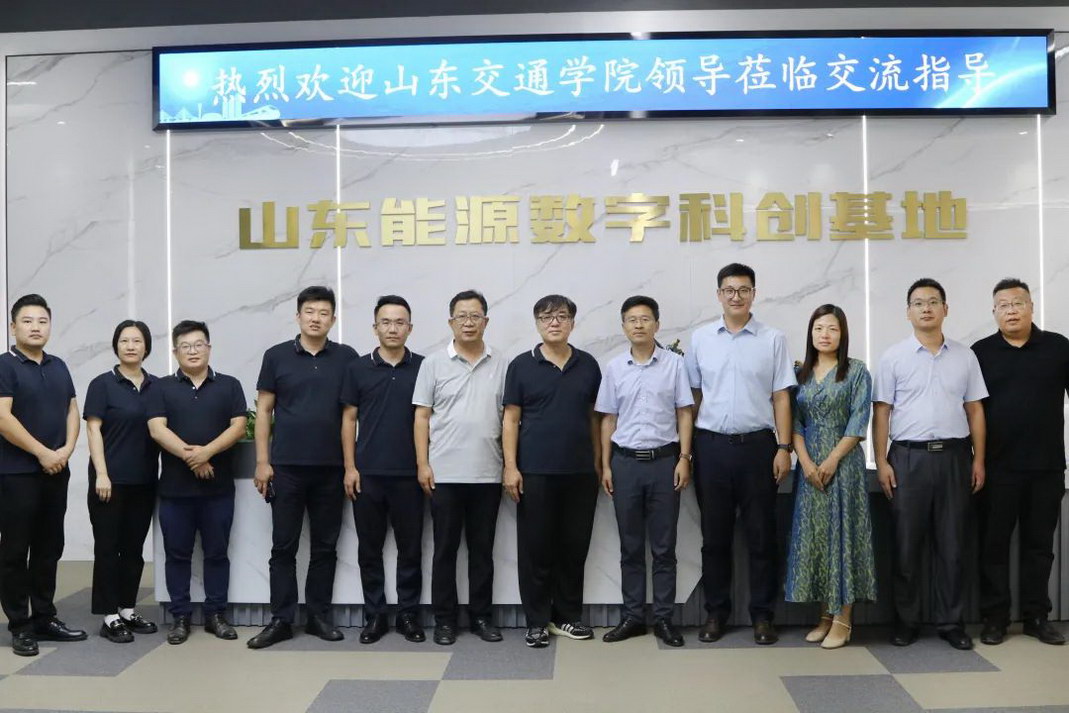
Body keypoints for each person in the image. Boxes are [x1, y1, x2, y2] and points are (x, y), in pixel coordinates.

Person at [873, 278, 987, 651]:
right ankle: (906, 622)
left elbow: (975, 410)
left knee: (952, 546)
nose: (926, 308)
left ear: (945, 309)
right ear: (908, 312)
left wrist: (979, 459)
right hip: (908, 459)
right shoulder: (893, 357)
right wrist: (881, 461)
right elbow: (882, 412)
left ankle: (951, 622)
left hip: (955, 457)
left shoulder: (965, 356)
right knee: (906, 546)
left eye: (933, 301)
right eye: (918, 303)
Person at [684, 263, 795, 645]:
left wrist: (784, 447)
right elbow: (693, 398)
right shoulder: (701, 339)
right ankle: (716, 613)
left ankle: (763, 616)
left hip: (759, 448)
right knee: (714, 538)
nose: (736, 296)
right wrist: (688, 453)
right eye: (729, 290)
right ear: (719, 294)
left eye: (743, 290)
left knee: (761, 536)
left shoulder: (773, 339)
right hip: (712, 447)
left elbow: (781, 396)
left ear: (753, 294)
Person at [247, 286, 358, 650]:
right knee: (283, 547)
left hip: (330, 469)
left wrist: (349, 466)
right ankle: (281, 619)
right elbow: (264, 410)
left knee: (325, 547)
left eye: (323, 313)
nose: (316, 318)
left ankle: (318, 617)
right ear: (298, 316)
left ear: (333, 319)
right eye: (309, 311)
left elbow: (350, 415)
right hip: (286, 469)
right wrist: (262, 462)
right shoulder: (276, 356)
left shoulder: (346, 358)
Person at [972, 278, 1068, 646]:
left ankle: (1036, 617)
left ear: (1031, 307)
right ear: (994, 312)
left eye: (1018, 303)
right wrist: (976, 460)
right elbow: (970, 411)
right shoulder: (981, 353)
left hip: (1047, 466)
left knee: (1039, 546)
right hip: (997, 468)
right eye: (1004, 305)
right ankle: (995, 618)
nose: (1011, 311)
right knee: (994, 546)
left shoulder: (1058, 347)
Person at [503, 294, 602, 648]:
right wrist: (511, 467)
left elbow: (595, 418)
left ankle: (567, 617)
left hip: (580, 473)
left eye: (561, 316)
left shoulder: (588, 365)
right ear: (537, 324)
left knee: (574, 548)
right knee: (536, 550)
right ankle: (536, 622)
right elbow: (510, 419)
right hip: (535, 473)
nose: (554, 322)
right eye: (546, 317)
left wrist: (599, 464)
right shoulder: (521, 365)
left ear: (572, 322)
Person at [596, 295, 693, 648]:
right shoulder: (614, 368)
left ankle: (664, 619)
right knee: (631, 546)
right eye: (632, 319)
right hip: (624, 464)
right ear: (624, 326)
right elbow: (608, 419)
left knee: (664, 548)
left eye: (645, 319)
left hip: (665, 462)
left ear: (657, 324)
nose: (639, 325)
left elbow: (684, 412)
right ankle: (633, 617)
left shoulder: (674, 365)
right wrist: (606, 465)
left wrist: (684, 458)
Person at [413, 290, 507, 646]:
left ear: (486, 321)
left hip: (488, 473)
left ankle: (482, 617)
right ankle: (445, 621)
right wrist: (423, 464)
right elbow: (422, 417)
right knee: (445, 551)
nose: (469, 322)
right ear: (451, 322)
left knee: (482, 552)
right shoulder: (433, 363)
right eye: (462, 316)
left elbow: (510, 418)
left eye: (475, 316)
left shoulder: (502, 363)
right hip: (444, 475)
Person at [147, 320, 247, 645]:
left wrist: (207, 452)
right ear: (175, 352)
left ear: (209, 348)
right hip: (175, 491)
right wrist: (195, 458)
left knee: (217, 553)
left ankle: (216, 615)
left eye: (198, 344)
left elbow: (238, 427)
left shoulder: (229, 385)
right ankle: (180, 617)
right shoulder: (161, 387)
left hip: (218, 490)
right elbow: (157, 429)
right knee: (177, 555)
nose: (193, 351)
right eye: (185, 346)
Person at [784, 305, 875, 650]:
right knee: (818, 539)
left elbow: (858, 420)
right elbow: (794, 423)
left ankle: (843, 619)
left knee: (843, 538)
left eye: (832, 329)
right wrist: (806, 464)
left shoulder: (856, 371)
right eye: (819, 328)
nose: (825, 334)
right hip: (809, 469)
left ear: (843, 334)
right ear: (811, 333)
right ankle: (825, 614)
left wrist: (833, 459)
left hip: (844, 466)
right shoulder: (800, 373)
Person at [0, 294, 85, 657]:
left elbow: (72, 409)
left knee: (49, 548)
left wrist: (66, 450)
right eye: (27, 321)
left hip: (56, 471)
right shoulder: (5, 365)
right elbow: (3, 418)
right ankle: (20, 625)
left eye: (42, 321)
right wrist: (42, 452)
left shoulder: (59, 365)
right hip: (16, 473)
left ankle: (45, 618)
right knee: (15, 551)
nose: (35, 327)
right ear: (13, 327)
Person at [340, 295, 426, 644]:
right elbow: (349, 420)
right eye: (386, 322)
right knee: (369, 550)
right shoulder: (357, 369)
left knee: (411, 550)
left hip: (410, 476)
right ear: (375, 328)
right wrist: (350, 467)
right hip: (368, 474)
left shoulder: (425, 367)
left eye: (400, 322)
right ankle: (375, 615)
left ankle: (408, 615)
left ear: (410, 328)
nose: (393, 328)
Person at [84, 320, 160, 644]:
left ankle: (127, 608)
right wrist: (102, 473)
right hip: (109, 481)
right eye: (124, 340)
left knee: (133, 548)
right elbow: (93, 429)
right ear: (116, 345)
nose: (130, 346)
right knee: (107, 547)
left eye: (137, 341)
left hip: (144, 481)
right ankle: (109, 615)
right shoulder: (102, 384)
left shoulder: (157, 386)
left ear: (146, 347)